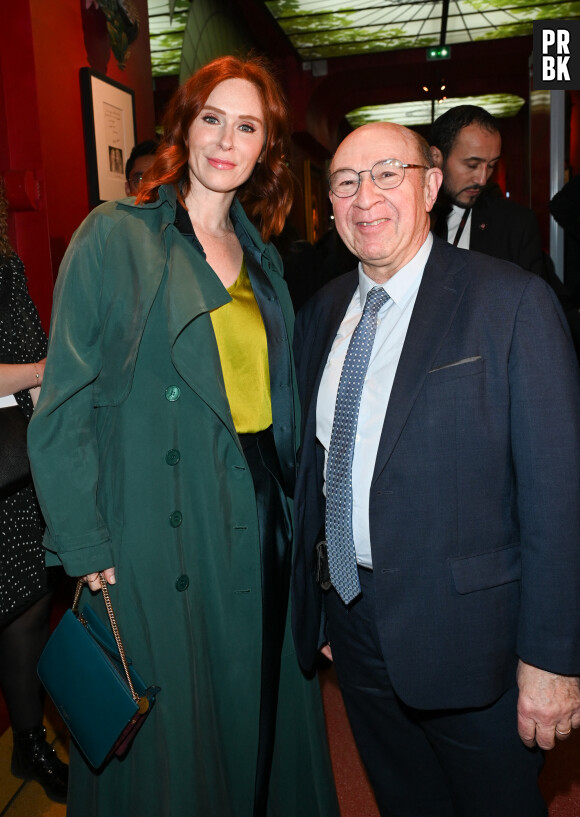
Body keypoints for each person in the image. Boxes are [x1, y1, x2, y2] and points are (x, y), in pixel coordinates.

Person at [28, 55, 339, 817]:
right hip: (164, 515)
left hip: (261, 506)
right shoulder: (116, 236)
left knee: (254, 705)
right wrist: (86, 540)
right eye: (212, 119)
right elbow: (63, 401)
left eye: (247, 126)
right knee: (178, 738)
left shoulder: (262, 254)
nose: (226, 140)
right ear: (184, 126)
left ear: (266, 146)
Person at [291, 121, 580, 817]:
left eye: (387, 173)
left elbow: (559, 494)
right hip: (355, 629)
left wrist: (554, 658)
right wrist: (325, 596)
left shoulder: (510, 301)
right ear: (329, 206)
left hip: (473, 641)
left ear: (427, 185)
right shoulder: (322, 312)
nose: (366, 197)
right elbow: (319, 466)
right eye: (346, 181)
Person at [0, 180, 67, 803]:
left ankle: (29, 742)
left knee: (25, 616)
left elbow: (30, 352)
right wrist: (47, 371)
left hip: (13, 475)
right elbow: (39, 364)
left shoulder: (5, 265)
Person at [429, 105, 546, 277]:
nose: (482, 179)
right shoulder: (406, 215)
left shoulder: (515, 225)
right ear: (436, 158)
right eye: (472, 165)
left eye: (491, 165)